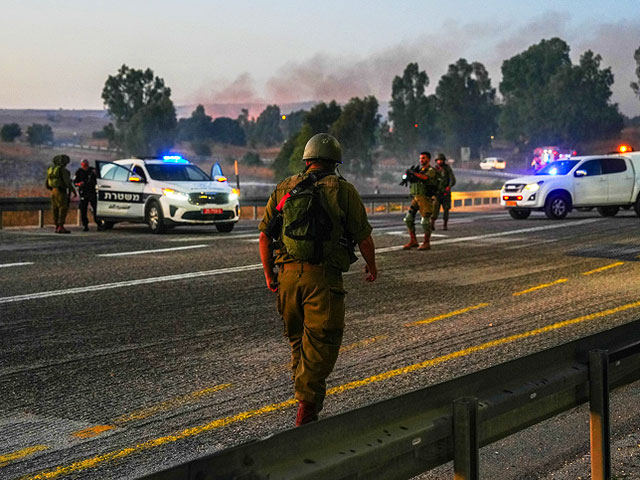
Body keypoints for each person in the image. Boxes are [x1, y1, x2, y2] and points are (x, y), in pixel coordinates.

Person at [258, 133, 377, 426]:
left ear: (307, 159)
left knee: (299, 340)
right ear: (335, 162)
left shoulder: (287, 187)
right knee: (322, 342)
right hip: (322, 280)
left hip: (287, 280)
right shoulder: (342, 189)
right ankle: (307, 409)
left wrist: (269, 274)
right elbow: (363, 237)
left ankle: (303, 395)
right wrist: (371, 267)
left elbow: (264, 234)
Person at [402, 151, 438, 250]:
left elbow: (425, 178)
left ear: (428, 159)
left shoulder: (430, 170)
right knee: (408, 219)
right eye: (420, 158)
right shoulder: (420, 170)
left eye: (424, 158)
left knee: (425, 221)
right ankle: (413, 240)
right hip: (417, 197)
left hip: (425, 198)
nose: (421, 160)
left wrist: (414, 174)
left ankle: (426, 242)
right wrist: (408, 177)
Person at [45, 154, 77, 233]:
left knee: (55, 209)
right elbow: (67, 182)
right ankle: (61, 226)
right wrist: (74, 191)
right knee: (63, 209)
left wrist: (52, 189)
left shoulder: (51, 169)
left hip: (53, 191)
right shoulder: (63, 170)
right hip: (61, 192)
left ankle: (56, 226)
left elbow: (47, 182)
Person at [73, 159, 102, 231]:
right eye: (83, 163)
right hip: (83, 192)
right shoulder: (79, 172)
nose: (85, 165)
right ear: (81, 164)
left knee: (95, 209)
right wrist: (79, 184)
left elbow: (98, 178)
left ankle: (99, 224)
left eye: (86, 163)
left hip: (92, 192)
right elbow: (75, 182)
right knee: (83, 210)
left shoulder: (92, 171)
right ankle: (85, 225)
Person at [431, 153, 456, 231]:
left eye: (441, 160)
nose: (439, 162)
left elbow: (452, 179)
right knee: (434, 209)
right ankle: (432, 224)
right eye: (438, 160)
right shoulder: (434, 170)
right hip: (437, 193)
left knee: (446, 209)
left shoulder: (447, 169)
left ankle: (445, 224)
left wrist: (449, 187)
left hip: (445, 193)